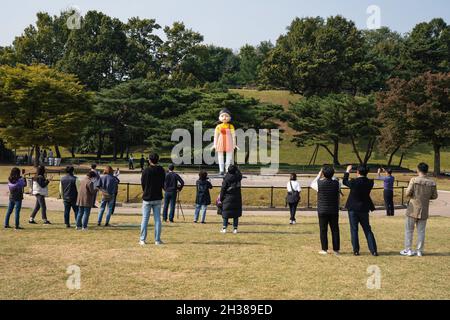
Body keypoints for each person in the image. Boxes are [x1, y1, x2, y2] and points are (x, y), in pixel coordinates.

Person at [400, 163, 438, 257]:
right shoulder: (432, 182)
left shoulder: (414, 180)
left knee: (409, 230)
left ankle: (408, 250)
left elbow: (407, 193)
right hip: (424, 209)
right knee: (421, 231)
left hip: (413, 208)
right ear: (427, 170)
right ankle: (419, 251)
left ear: (418, 170)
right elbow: (435, 196)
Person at [343, 165, 378, 256]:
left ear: (357, 172)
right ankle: (373, 250)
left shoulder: (354, 182)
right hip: (364, 208)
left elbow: (344, 181)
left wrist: (347, 171)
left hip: (353, 208)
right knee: (367, 229)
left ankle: (356, 250)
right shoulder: (370, 182)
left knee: (354, 229)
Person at [311, 166, 341, 255]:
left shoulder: (319, 183)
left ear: (323, 174)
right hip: (334, 209)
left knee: (323, 230)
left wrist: (319, 175)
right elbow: (335, 180)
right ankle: (336, 250)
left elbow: (312, 184)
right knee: (335, 229)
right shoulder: (337, 183)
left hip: (322, 209)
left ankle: (324, 249)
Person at [140, 153, 166, 246]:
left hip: (147, 197)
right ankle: (157, 240)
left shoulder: (146, 171)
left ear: (149, 160)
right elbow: (163, 183)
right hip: (158, 196)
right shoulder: (161, 170)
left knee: (145, 219)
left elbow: (143, 183)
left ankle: (142, 239)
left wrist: (145, 191)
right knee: (157, 219)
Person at [219, 165, 243, 234]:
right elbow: (240, 175)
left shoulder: (226, 178)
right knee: (236, 214)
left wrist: (221, 198)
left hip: (227, 197)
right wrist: (238, 169)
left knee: (226, 213)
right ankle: (235, 229)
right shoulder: (238, 177)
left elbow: (223, 189)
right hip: (237, 197)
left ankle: (224, 228)